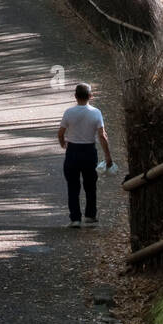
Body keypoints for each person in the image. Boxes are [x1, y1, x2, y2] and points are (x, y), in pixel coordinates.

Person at [57, 82, 114, 227]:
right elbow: (102, 136)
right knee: (90, 185)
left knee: (73, 186)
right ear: (91, 96)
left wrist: (62, 143)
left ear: (75, 96)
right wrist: (108, 155)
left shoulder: (69, 112)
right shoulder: (96, 112)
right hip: (89, 151)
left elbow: (61, 132)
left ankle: (75, 219)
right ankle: (90, 216)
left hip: (73, 152)